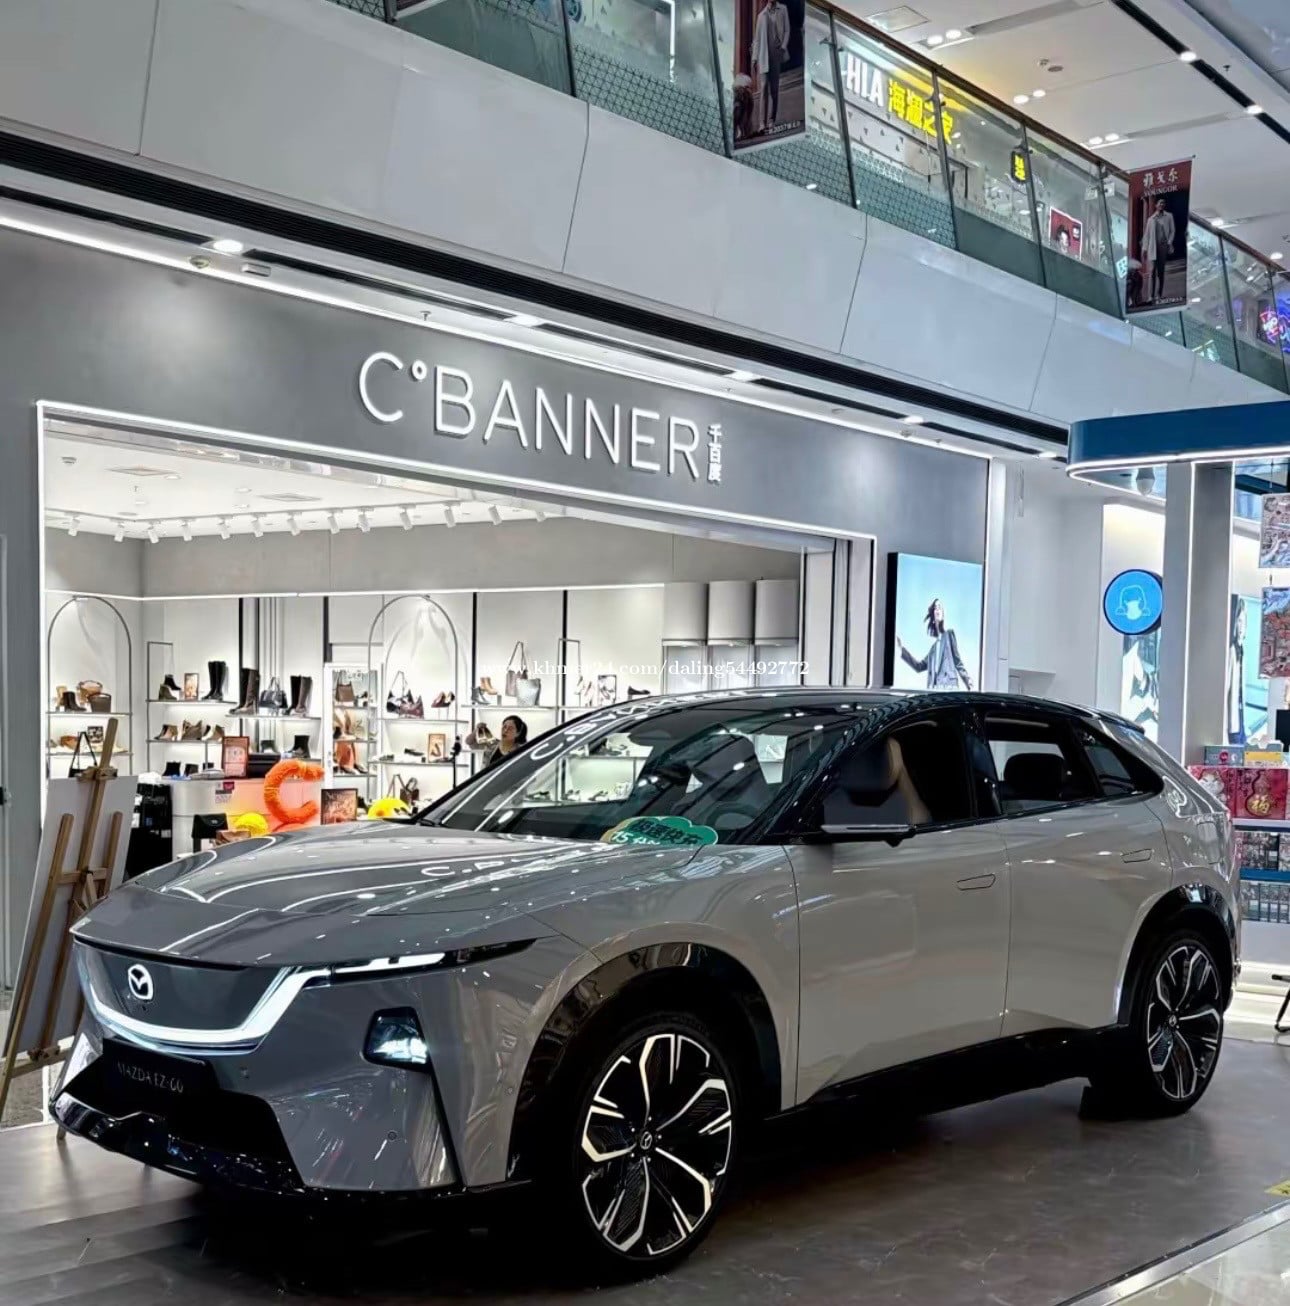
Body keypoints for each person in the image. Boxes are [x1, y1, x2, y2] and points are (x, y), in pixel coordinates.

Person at [897, 599, 973, 690]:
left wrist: (967, 680)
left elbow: (957, 661)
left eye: (940, 607)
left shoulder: (949, 635)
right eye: (935, 608)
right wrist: (901, 649)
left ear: (943, 615)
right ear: (933, 617)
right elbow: (918, 666)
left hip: (949, 688)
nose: (937, 609)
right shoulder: (933, 650)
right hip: (934, 691)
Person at [751, 0, 789, 135]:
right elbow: (757, 39)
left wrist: (783, 48)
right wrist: (754, 58)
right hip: (763, 55)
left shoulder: (782, 9)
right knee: (764, 87)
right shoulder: (761, 16)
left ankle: (771, 120)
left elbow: (786, 30)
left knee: (774, 89)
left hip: (776, 54)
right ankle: (762, 124)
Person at [1142, 197, 1175, 303]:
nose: (1162, 204)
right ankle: (1150, 296)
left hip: (1163, 246)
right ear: (1156, 205)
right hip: (1152, 247)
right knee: (1152, 271)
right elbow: (1146, 236)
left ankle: (1159, 295)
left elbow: (1172, 231)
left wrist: (1169, 242)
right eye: (1160, 203)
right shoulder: (1151, 219)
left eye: (1163, 203)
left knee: (1160, 271)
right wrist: (1144, 249)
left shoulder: (1169, 216)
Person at [1227, 596, 1247, 745]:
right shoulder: (1232, 651)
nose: (1241, 627)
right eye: (1239, 622)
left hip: (1240, 713)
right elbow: (1227, 686)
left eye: (1243, 622)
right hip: (1233, 713)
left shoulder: (1241, 649)